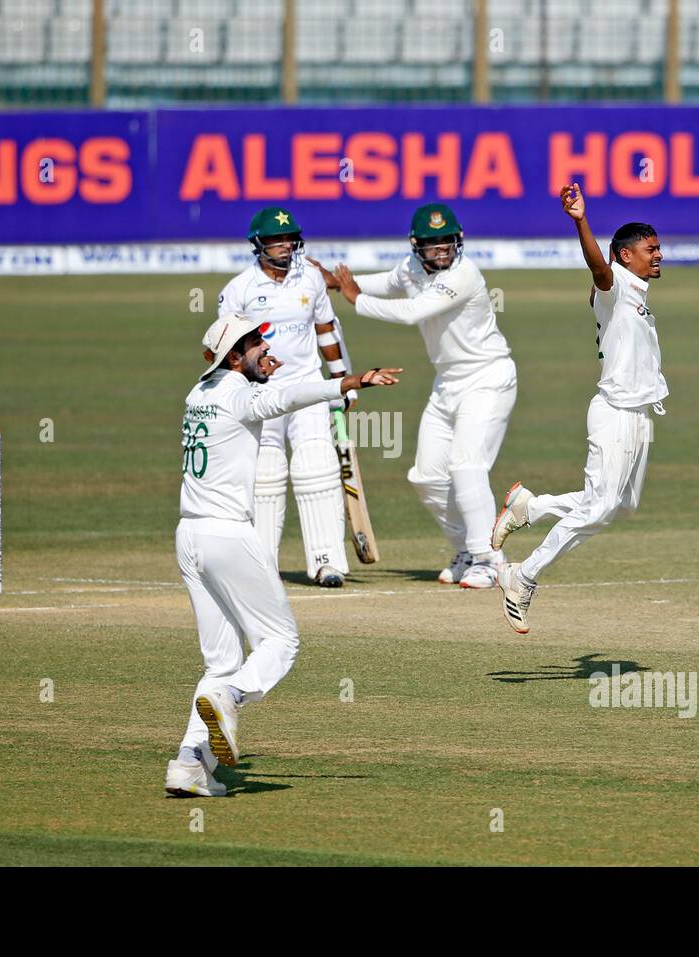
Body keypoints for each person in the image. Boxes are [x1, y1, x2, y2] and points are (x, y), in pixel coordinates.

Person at [167, 313, 401, 798]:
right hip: (227, 534)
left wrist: (258, 369)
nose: (264, 347)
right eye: (254, 342)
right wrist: (352, 381)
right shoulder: (243, 397)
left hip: (188, 536)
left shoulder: (199, 394)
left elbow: (262, 387)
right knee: (280, 642)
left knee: (222, 660)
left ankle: (190, 765)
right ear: (234, 355)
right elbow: (290, 398)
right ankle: (230, 698)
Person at [491, 184, 668, 635]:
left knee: (619, 505)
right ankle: (522, 575)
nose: (658, 256)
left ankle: (530, 506)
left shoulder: (638, 290)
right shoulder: (615, 282)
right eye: (650, 250)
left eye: (659, 249)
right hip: (616, 412)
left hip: (639, 415)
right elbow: (597, 267)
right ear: (625, 256)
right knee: (598, 509)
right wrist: (579, 220)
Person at [313, 203, 517, 589]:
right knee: (426, 476)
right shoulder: (409, 268)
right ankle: (466, 549)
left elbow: (412, 312)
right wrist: (341, 282)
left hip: (488, 378)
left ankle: (490, 559)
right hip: (448, 383)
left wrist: (354, 299)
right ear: (416, 246)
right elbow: (387, 284)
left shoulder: (465, 273)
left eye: (447, 243)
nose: (441, 251)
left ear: (459, 242)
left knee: (466, 465)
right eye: (432, 245)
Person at [218, 207, 355, 588]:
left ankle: (326, 561)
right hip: (260, 392)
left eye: (289, 239)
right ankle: (260, 565)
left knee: (317, 466)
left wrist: (344, 381)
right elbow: (225, 346)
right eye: (276, 240)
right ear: (258, 244)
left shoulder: (310, 277)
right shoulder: (238, 290)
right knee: (265, 474)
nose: (284, 246)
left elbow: (327, 331)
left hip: (307, 385)